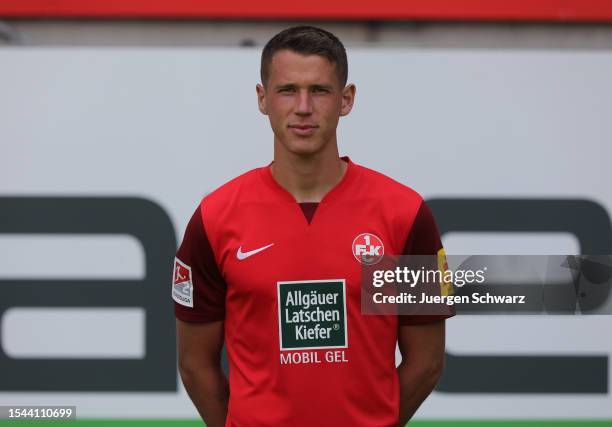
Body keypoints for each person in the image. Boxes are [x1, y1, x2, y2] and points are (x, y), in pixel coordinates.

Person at [173, 25, 453, 427]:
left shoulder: (403, 214)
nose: (303, 107)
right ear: (262, 99)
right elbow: (193, 365)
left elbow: (426, 362)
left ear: (346, 99)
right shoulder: (216, 217)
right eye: (287, 90)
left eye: (319, 90)